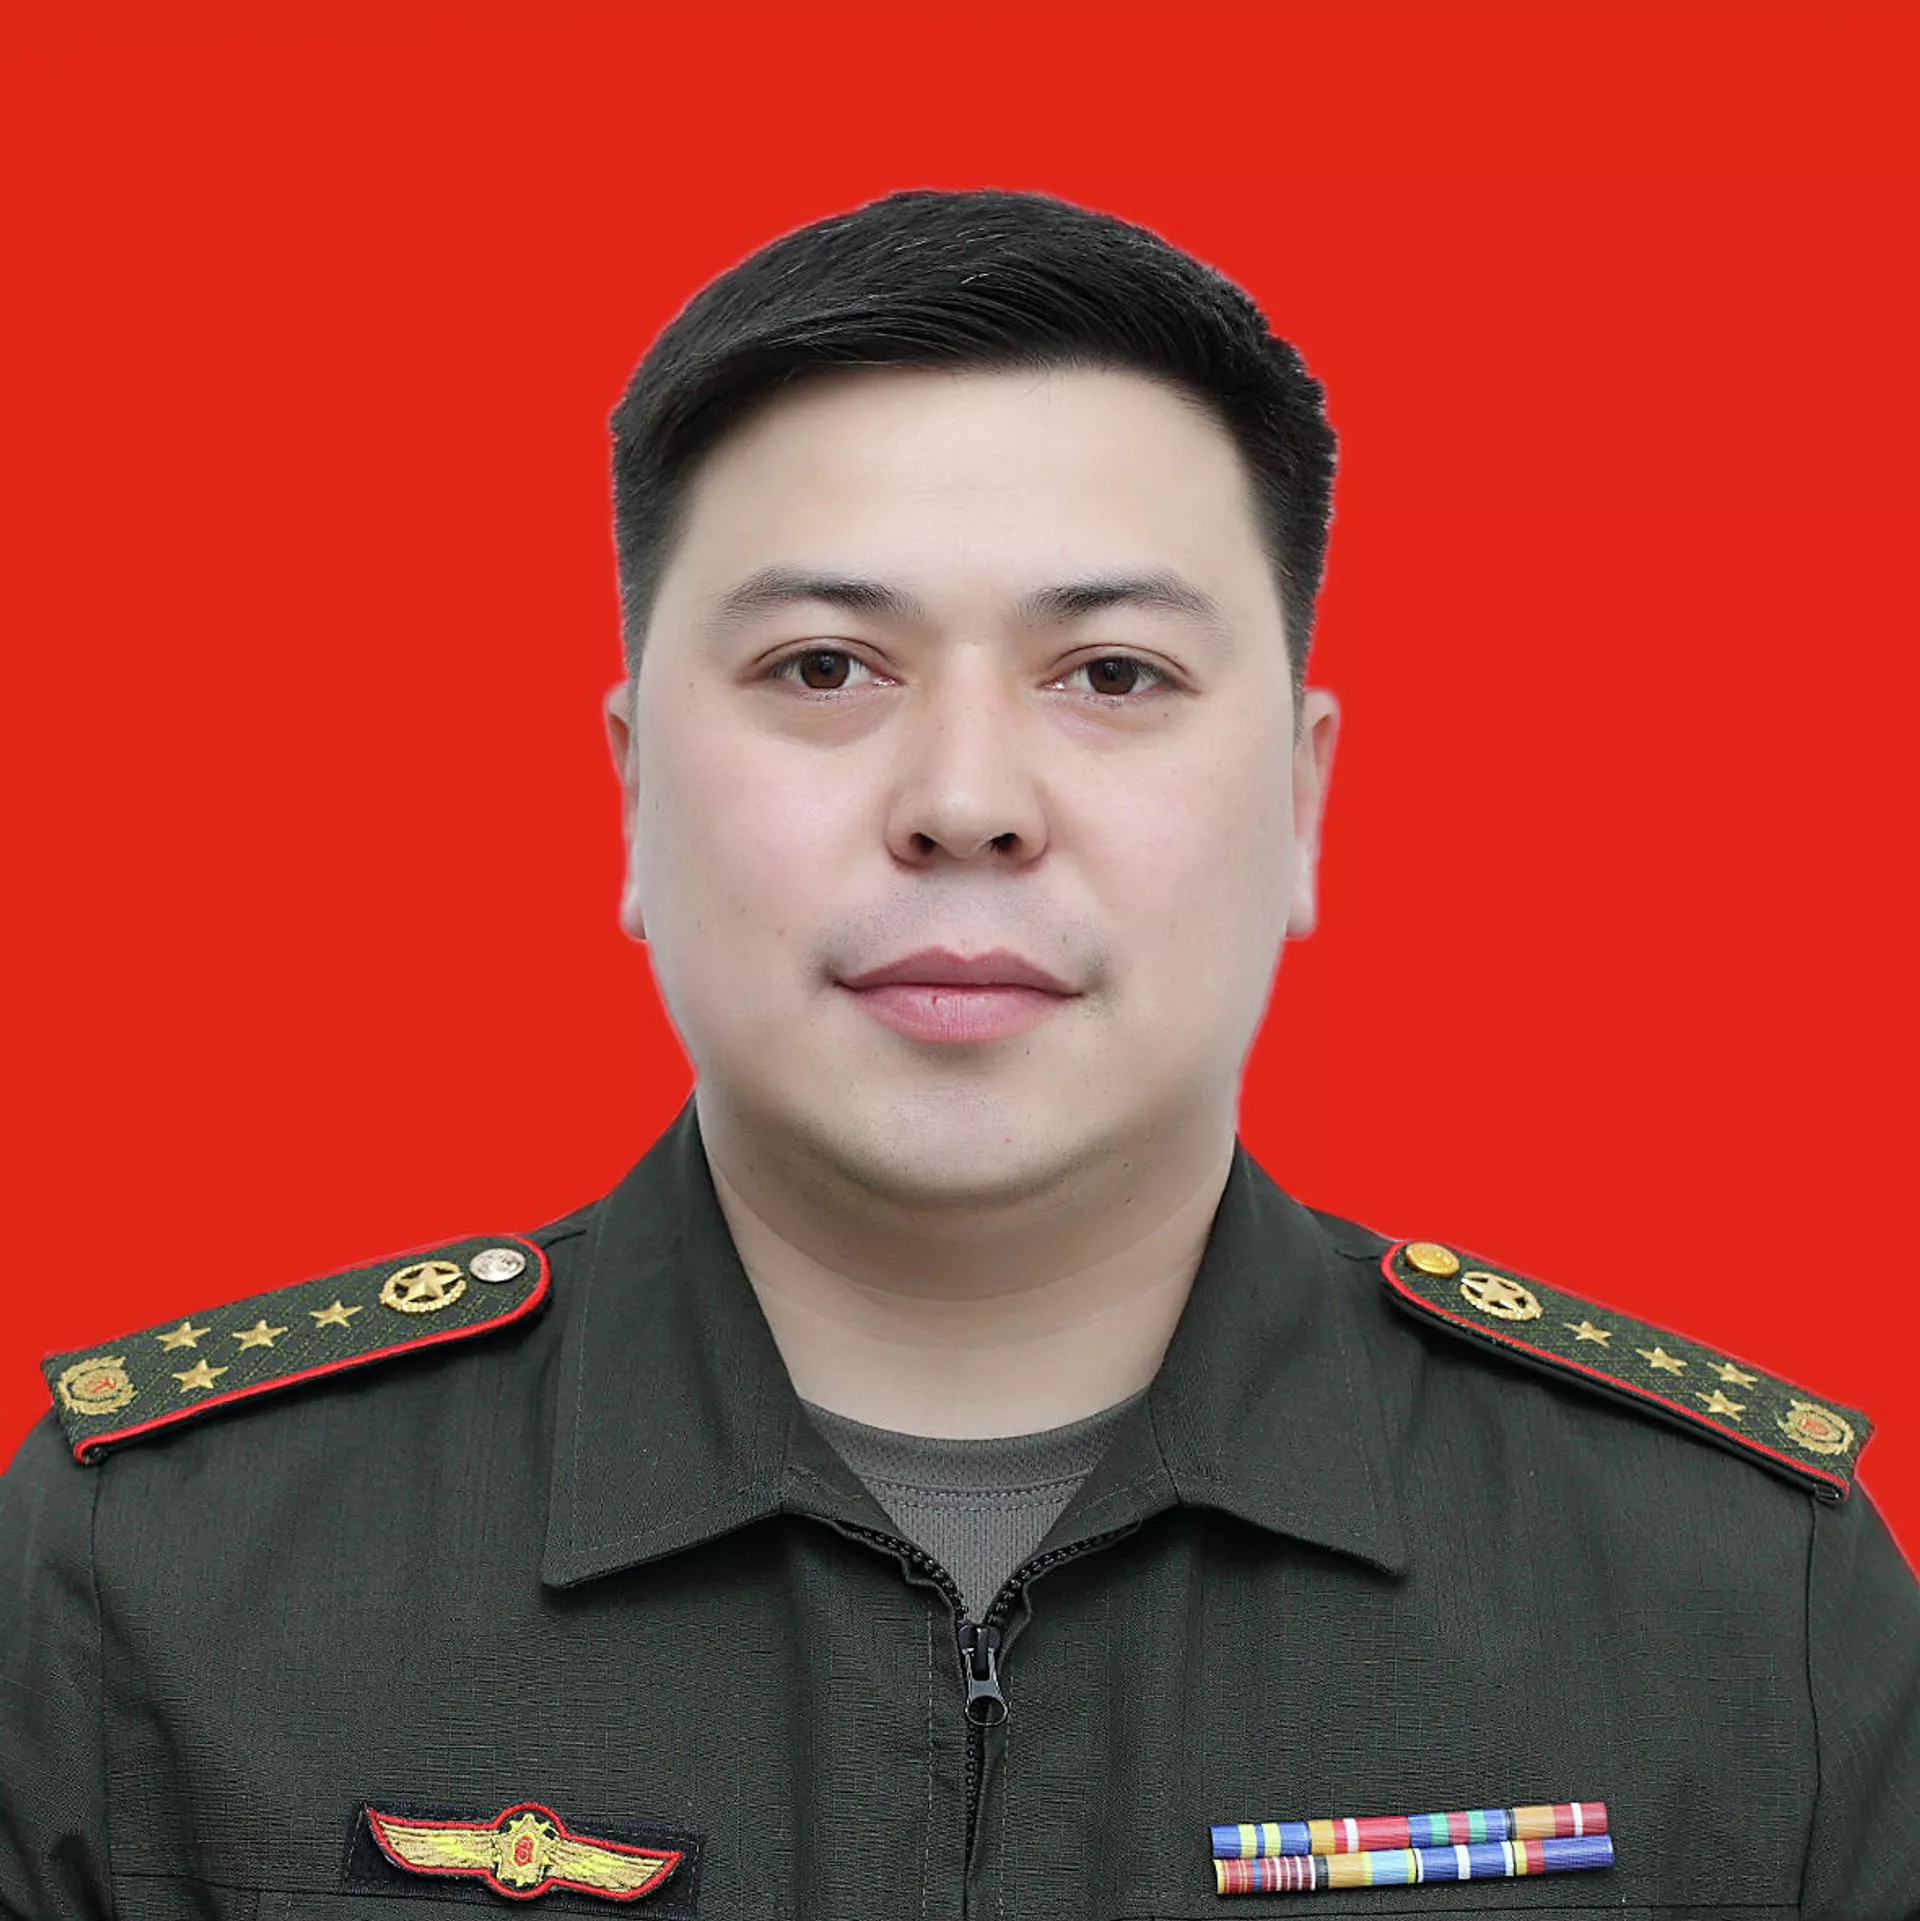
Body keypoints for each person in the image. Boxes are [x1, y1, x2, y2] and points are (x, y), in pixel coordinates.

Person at [3, 186, 1916, 1921]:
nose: (967, 800)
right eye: (825, 668)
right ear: (634, 791)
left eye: (1115, 675)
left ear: (1304, 801)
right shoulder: (156, 1573)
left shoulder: (1744, 1603)